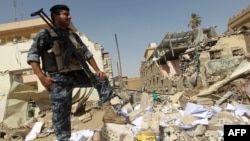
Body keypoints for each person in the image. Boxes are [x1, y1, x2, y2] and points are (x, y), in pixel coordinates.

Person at [27, 4, 126, 141]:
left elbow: (86, 53)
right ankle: (63, 139)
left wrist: (97, 70)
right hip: (58, 78)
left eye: (69, 14)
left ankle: (109, 113)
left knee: (101, 79)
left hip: (77, 73)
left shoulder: (72, 35)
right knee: (61, 114)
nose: (70, 16)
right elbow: (33, 56)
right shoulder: (45, 34)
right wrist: (42, 78)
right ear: (56, 16)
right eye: (65, 14)